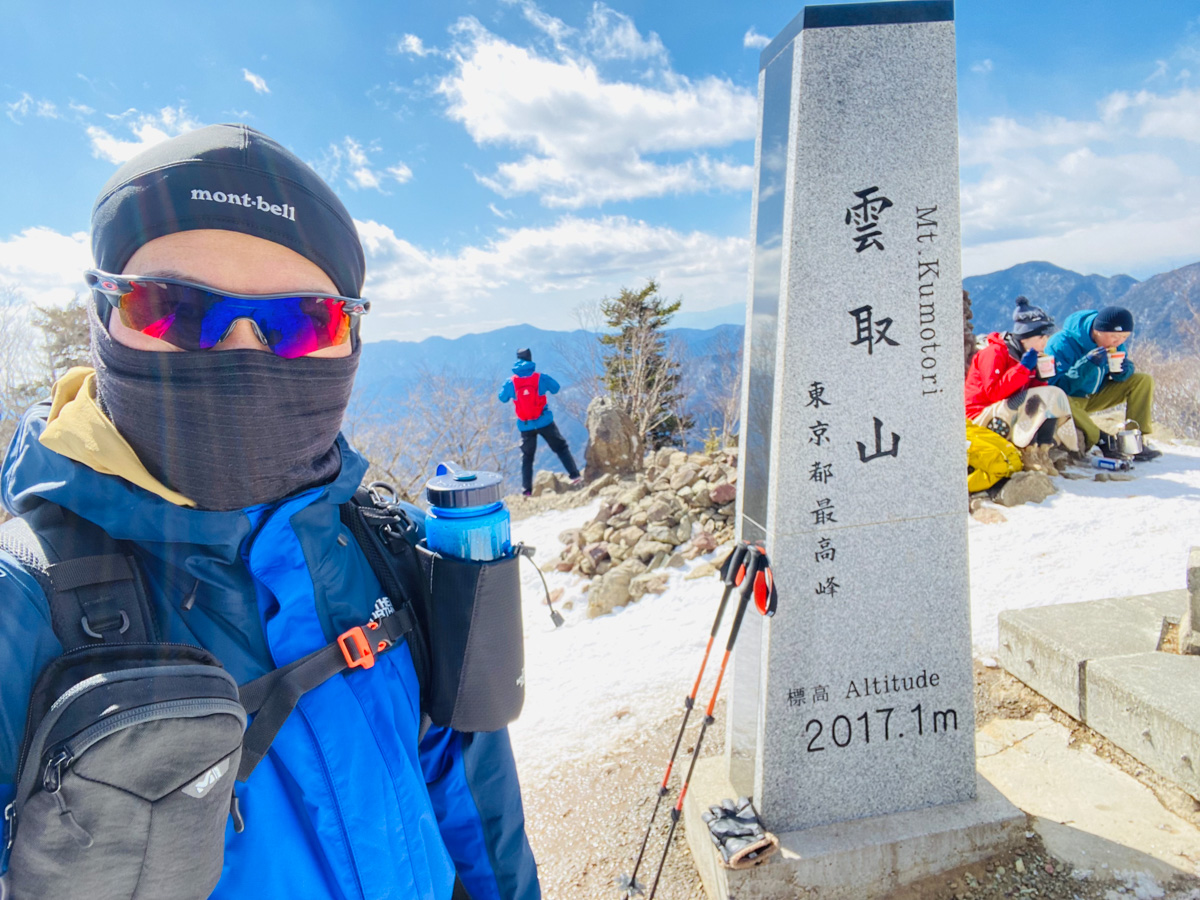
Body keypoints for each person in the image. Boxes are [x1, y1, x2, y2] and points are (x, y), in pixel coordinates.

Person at [0, 125, 540, 899]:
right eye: (175, 310)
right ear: (102, 315)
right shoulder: (17, 616)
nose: (239, 352)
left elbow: (475, 806)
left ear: (351, 334)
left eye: (302, 322)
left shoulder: (385, 551)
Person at [964, 296, 1079, 473]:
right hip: (981, 415)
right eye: (1041, 337)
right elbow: (994, 393)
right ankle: (1027, 451)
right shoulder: (995, 352)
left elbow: (1029, 390)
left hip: (1005, 408)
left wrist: (1041, 376)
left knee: (1051, 395)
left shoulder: (1023, 353)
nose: (1045, 343)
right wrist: (1023, 368)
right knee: (1035, 401)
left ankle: (1042, 450)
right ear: (1026, 336)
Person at [1044, 305, 1162, 462]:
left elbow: (1118, 375)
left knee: (1142, 380)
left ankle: (1134, 441)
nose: (1119, 341)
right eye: (1114, 337)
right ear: (1098, 330)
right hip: (1070, 399)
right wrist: (1087, 364)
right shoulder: (1061, 344)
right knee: (1058, 397)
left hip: (1096, 395)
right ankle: (1103, 440)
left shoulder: (1114, 344)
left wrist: (1124, 370)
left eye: (1124, 337)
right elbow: (1057, 387)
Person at [498, 348, 582, 496]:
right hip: (544, 421)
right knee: (561, 448)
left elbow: (502, 398)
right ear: (530, 359)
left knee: (527, 458)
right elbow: (555, 388)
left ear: (517, 359)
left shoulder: (511, 382)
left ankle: (527, 490)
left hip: (525, 425)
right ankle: (575, 475)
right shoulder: (540, 378)